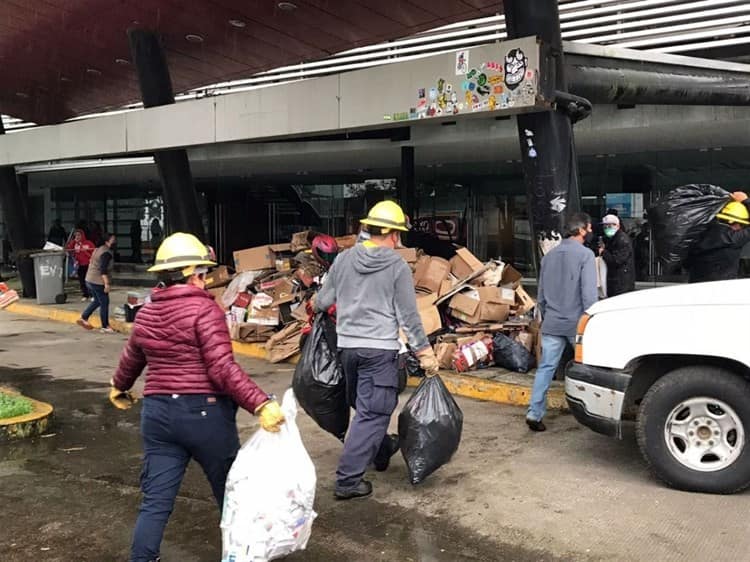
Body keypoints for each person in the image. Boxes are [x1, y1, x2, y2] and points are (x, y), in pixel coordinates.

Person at [110, 232, 285, 562]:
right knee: (231, 494)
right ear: (193, 274)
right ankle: (243, 555)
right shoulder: (206, 311)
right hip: (204, 415)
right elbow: (221, 368)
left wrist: (119, 386)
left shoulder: (147, 312)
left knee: (155, 501)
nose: (205, 281)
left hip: (158, 415)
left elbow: (132, 358)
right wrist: (260, 403)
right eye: (203, 274)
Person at [315, 200, 440, 500]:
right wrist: (424, 352)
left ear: (366, 228)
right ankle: (347, 481)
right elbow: (408, 316)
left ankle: (382, 448)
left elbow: (322, 300)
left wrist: (317, 306)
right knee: (373, 413)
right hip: (379, 352)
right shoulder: (395, 265)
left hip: (347, 349)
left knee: (367, 407)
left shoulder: (343, 260)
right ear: (394, 235)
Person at [526, 212, 598, 432]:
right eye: (590, 227)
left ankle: (534, 413)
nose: (592, 231)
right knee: (589, 369)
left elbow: (542, 295)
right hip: (576, 324)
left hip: (553, 323)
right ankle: (594, 414)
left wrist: (549, 316)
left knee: (546, 368)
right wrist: (591, 319)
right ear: (582, 229)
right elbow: (588, 295)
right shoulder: (586, 256)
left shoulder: (549, 256)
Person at [684, 191, 750, 283]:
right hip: (721, 290)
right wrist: (746, 201)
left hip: (696, 287)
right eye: (742, 225)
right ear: (734, 222)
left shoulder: (700, 232)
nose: (741, 228)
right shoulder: (734, 238)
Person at [77, 233, 116, 333]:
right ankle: (105, 326)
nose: (115, 241)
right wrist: (106, 284)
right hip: (97, 281)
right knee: (104, 303)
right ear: (107, 241)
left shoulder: (98, 249)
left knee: (97, 301)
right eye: (113, 239)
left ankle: (84, 317)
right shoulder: (106, 253)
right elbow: (103, 270)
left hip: (89, 279)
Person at [597, 214, 635, 297]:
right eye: (605, 226)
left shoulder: (622, 239)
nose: (607, 228)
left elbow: (616, 260)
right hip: (615, 281)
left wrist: (603, 252)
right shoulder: (612, 238)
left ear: (617, 226)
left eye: (609, 226)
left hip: (621, 284)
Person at [65, 229, 95, 301]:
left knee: (89, 281)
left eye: (79, 235)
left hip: (88, 264)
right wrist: (73, 242)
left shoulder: (88, 243)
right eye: (76, 235)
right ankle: (85, 294)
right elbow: (68, 249)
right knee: (82, 280)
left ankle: (92, 294)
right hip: (79, 265)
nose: (77, 237)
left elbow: (94, 252)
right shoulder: (75, 244)